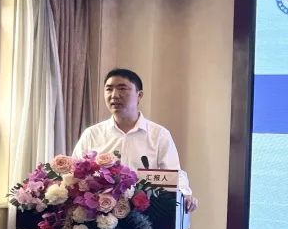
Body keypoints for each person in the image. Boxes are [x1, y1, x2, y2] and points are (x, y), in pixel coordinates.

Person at [72, 68, 198, 213]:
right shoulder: (92, 134)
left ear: (139, 95)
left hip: (147, 214)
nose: (114, 95)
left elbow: (174, 174)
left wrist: (185, 194)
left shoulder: (159, 135)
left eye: (122, 88)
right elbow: (75, 172)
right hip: (100, 216)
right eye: (109, 89)